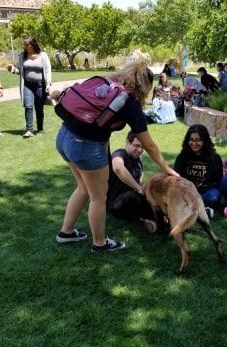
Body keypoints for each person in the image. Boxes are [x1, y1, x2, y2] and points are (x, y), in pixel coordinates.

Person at [52, 62, 178, 252]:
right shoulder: (129, 102)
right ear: (144, 86)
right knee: (98, 197)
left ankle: (66, 233)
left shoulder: (107, 83)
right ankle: (100, 243)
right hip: (86, 146)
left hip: (63, 138)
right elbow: (149, 145)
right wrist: (168, 169)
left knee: (83, 188)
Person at [107, 131, 157, 233]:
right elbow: (118, 168)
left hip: (133, 200)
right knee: (134, 195)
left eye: (142, 147)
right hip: (117, 203)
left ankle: (152, 220)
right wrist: (138, 188)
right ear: (127, 142)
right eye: (136, 146)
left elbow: (140, 178)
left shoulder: (138, 158)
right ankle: (159, 220)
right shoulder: (119, 154)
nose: (140, 150)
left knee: (153, 190)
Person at [174, 124, 223, 218]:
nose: (194, 143)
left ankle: (187, 209)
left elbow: (217, 182)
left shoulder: (214, 158)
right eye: (191, 140)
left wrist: (199, 192)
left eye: (198, 140)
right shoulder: (182, 156)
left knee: (213, 197)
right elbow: (176, 177)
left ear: (204, 140)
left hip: (205, 192)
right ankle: (202, 211)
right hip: (187, 191)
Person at [8, 35, 51, 138]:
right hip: (27, 85)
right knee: (28, 106)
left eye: (27, 44)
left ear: (33, 44)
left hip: (40, 85)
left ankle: (40, 128)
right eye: (25, 44)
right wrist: (13, 70)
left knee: (39, 108)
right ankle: (29, 130)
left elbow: (47, 70)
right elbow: (20, 71)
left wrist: (48, 83)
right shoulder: (22, 56)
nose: (26, 46)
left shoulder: (43, 55)